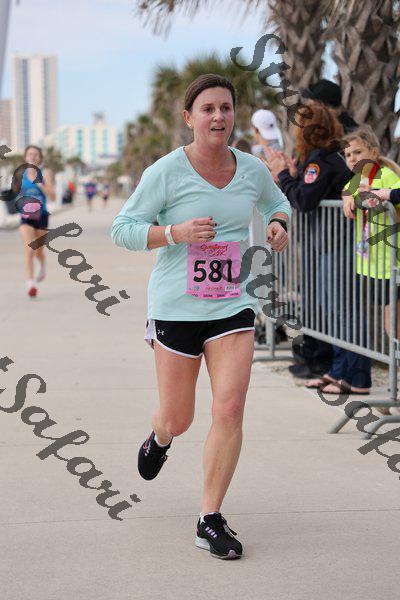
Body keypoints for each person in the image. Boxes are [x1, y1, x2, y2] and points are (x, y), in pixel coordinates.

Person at [111, 74, 291, 560]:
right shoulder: (166, 171)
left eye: (226, 108)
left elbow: (278, 201)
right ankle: (160, 435)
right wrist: (175, 232)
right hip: (176, 307)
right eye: (208, 108)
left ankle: (209, 518)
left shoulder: (251, 168)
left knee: (230, 408)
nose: (218, 116)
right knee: (180, 417)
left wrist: (278, 223)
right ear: (189, 117)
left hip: (232, 303)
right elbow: (123, 229)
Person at [263, 103, 371, 393]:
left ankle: (358, 377)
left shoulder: (322, 159)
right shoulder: (322, 158)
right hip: (327, 245)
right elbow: (305, 192)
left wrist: (283, 175)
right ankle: (339, 370)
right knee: (332, 310)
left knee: (344, 310)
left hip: (337, 245)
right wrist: (291, 174)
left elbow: (304, 200)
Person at [342, 125, 400, 338]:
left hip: (392, 260)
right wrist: (346, 199)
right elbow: (346, 191)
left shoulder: (387, 176)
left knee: (394, 321)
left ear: (374, 153)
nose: (352, 158)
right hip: (372, 264)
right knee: (389, 320)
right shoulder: (355, 180)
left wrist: (379, 196)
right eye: (348, 154)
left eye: (358, 152)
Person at [15, 145, 55, 297]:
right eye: (30, 154)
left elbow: (53, 197)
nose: (32, 156)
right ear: (25, 157)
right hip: (25, 217)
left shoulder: (45, 173)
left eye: (36, 154)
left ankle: (42, 264)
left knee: (39, 252)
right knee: (29, 250)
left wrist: (39, 183)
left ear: (40, 158)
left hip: (42, 216)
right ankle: (30, 284)